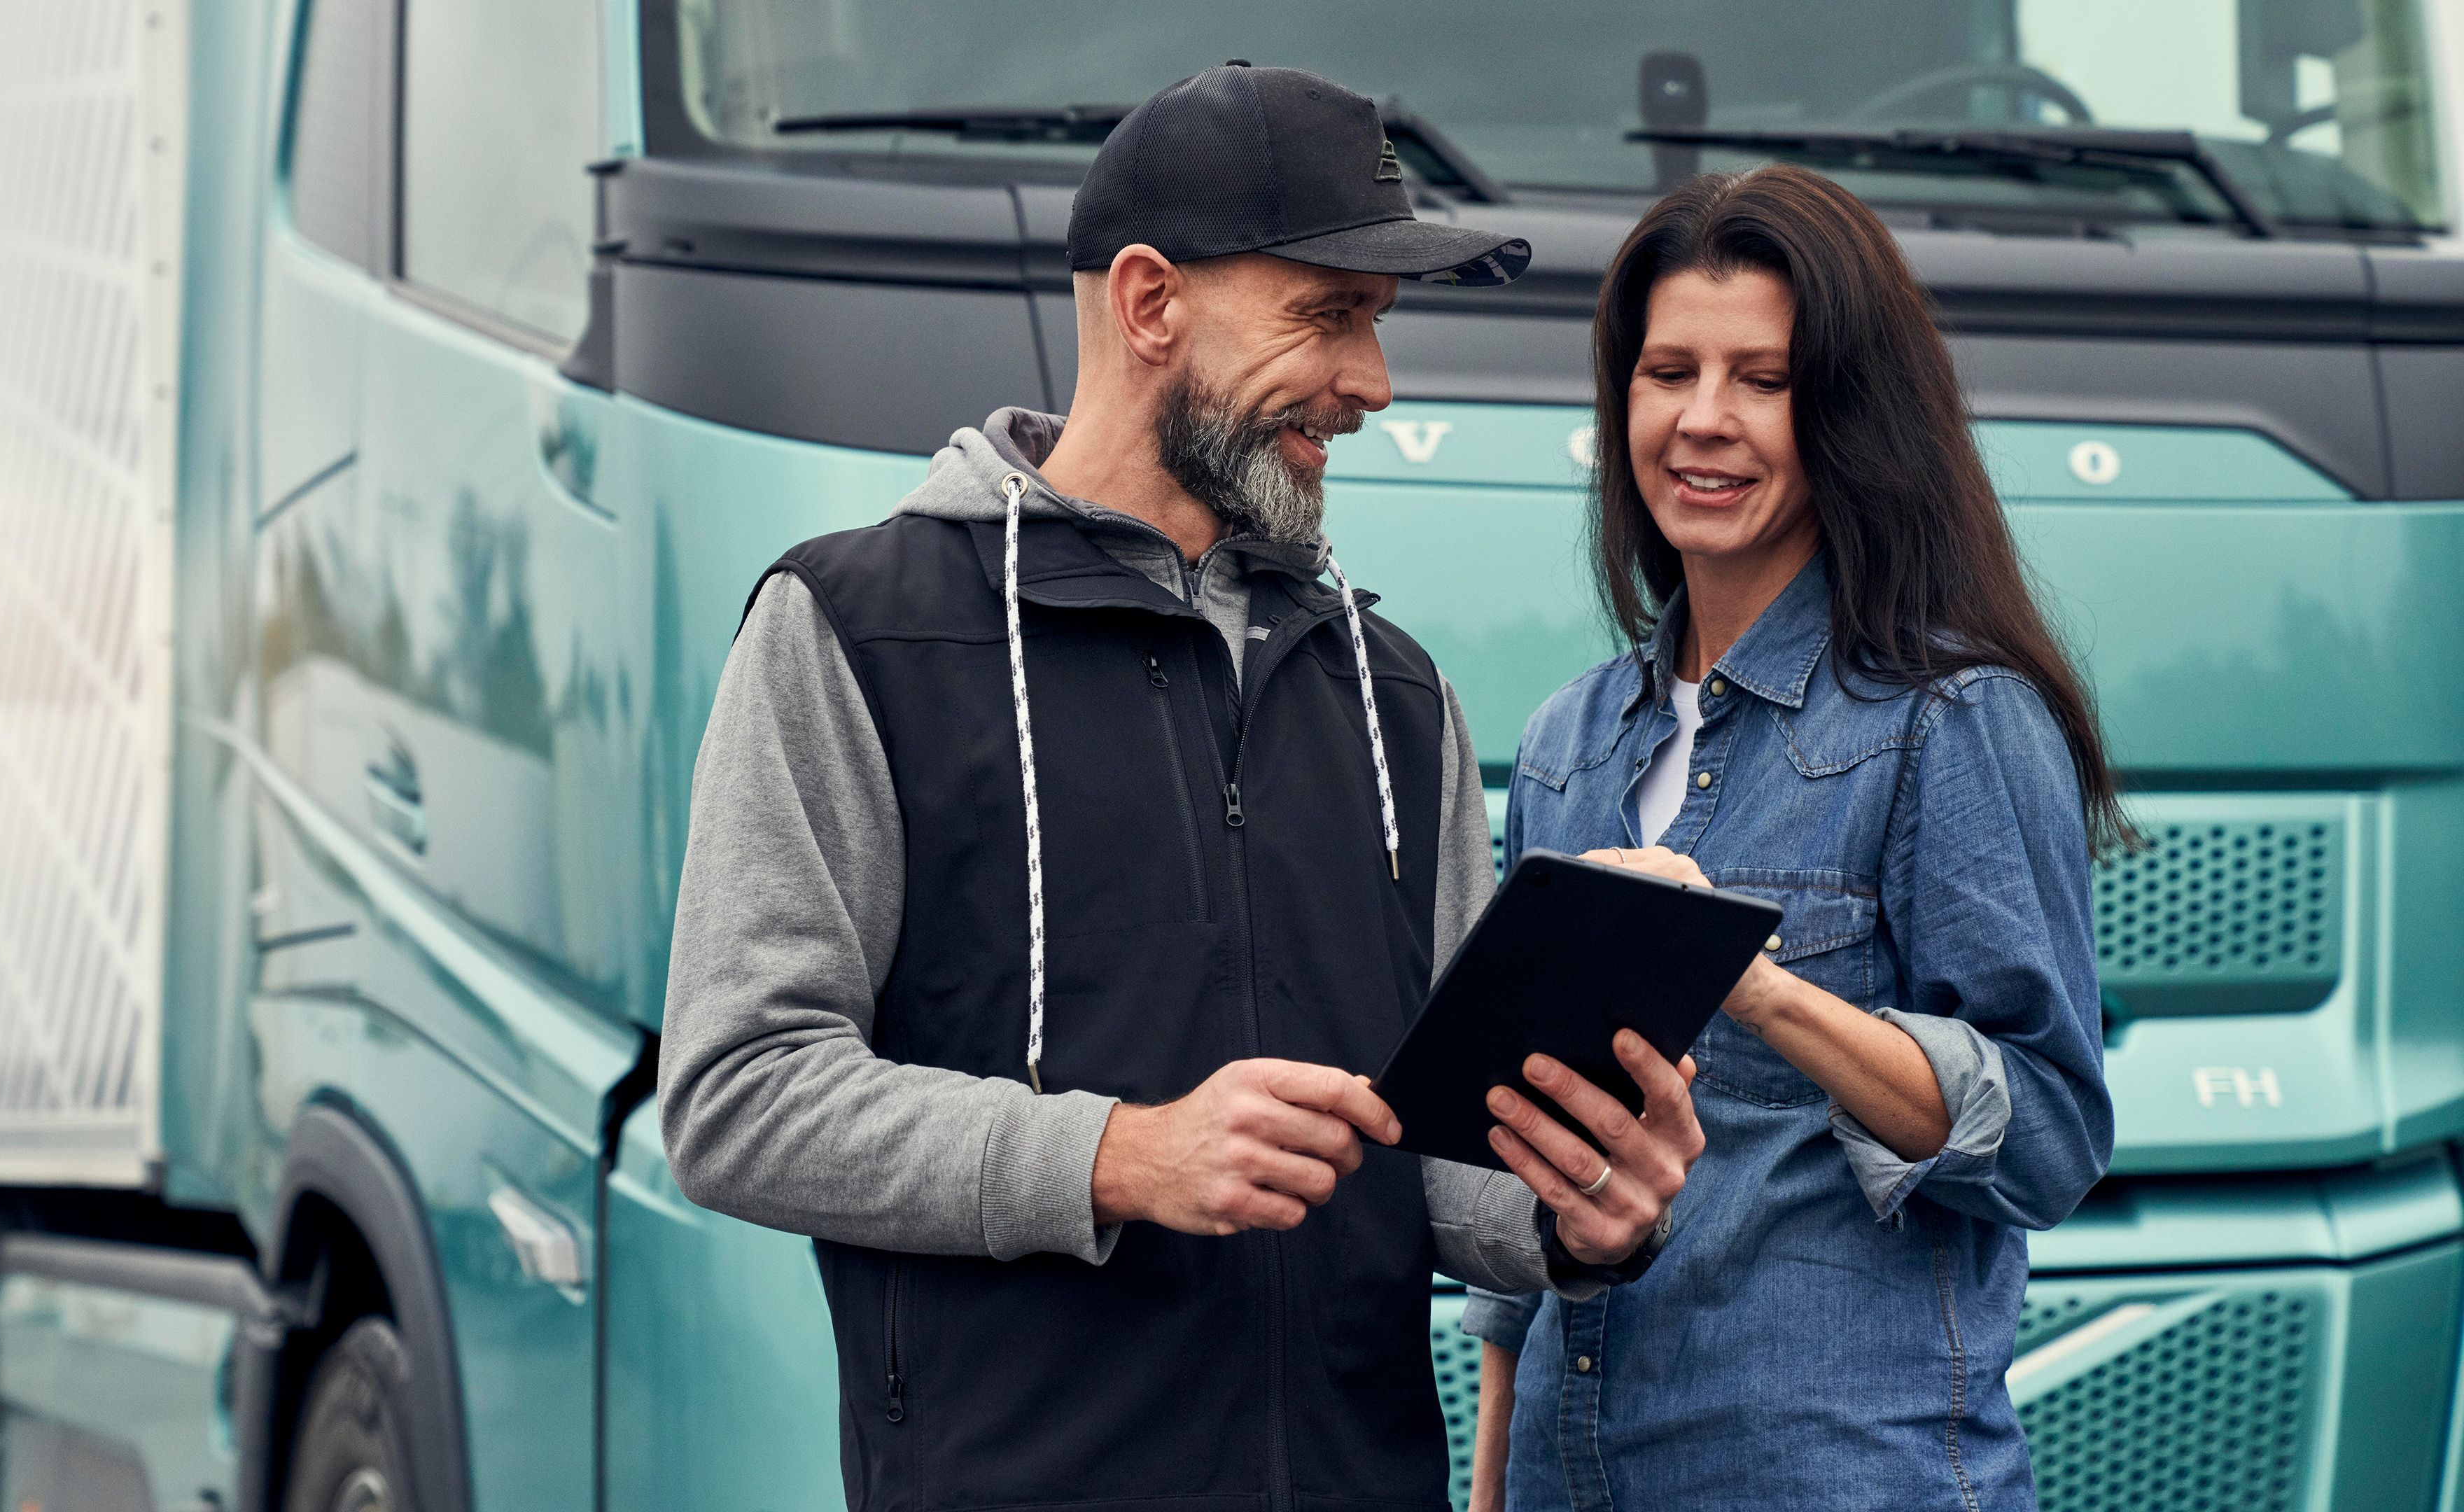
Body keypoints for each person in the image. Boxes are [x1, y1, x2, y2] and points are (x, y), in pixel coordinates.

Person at [657, 64, 1706, 1512]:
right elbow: (737, 1096)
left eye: (1378, 328)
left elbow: (1448, 1164)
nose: (1373, 386)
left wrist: (1583, 1214)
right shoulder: (855, 629)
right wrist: (1115, 1156)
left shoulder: (1394, 691)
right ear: (1149, 303)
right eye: (1328, 316)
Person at [1464, 164, 2119, 1512]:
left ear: (1848, 413)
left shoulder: (1954, 721)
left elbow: (2047, 1133)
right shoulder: (1565, 743)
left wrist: (1748, 979)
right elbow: (1519, 1204)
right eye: (1668, 372)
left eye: (1762, 379)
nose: (1704, 422)